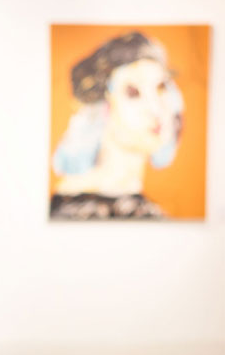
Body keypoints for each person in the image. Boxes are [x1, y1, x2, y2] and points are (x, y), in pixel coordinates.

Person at [51, 31, 184, 219]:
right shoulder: (69, 210)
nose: (156, 109)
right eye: (133, 92)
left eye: (161, 87)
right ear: (104, 104)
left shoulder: (150, 213)